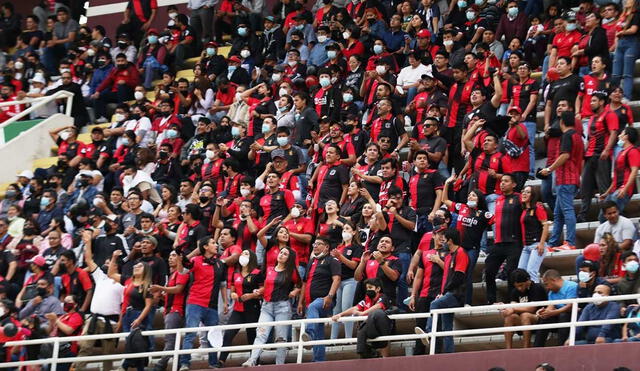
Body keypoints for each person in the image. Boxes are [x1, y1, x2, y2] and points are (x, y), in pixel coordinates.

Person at [242, 247, 301, 367]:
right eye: (281, 252)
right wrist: (259, 291)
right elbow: (267, 286)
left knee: (280, 338)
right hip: (266, 306)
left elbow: (300, 284)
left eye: (285, 254)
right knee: (261, 334)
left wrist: (295, 292)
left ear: (289, 258)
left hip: (282, 307)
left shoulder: (292, 272)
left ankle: (279, 365)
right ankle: (252, 360)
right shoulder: (269, 269)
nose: (282, 255)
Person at [415, 228, 469, 353]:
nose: (442, 242)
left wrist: (444, 292)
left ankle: (428, 332)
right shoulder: (450, 256)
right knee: (447, 328)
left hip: (457, 295)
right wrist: (442, 293)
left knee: (434, 304)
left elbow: (458, 277)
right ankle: (449, 355)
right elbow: (446, 278)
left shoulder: (461, 252)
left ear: (450, 240)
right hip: (448, 294)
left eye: (444, 239)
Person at [179, 237, 227, 370]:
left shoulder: (220, 263)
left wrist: (225, 302)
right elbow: (183, 270)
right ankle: (184, 363)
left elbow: (223, 284)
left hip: (212, 306)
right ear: (205, 247)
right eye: (212, 243)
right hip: (195, 303)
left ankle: (213, 363)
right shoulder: (196, 260)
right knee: (191, 334)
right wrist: (185, 254)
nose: (216, 245)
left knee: (213, 336)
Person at [539, 111, 584, 251]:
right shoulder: (578, 137)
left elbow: (565, 155)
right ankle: (552, 244)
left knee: (567, 210)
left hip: (565, 179)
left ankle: (570, 242)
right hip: (572, 178)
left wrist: (549, 169)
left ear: (562, 122)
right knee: (558, 214)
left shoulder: (566, 136)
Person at [108, 252, 153, 371]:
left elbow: (148, 306)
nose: (135, 267)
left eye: (139, 266)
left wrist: (139, 319)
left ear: (146, 270)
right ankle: (135, 367)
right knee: (130, 342)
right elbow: (111, 274)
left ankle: (125, 366)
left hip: (139, 314)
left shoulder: (146, 285)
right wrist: (114, 258)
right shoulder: (128, 280)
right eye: (135, 266)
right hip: (128, 315)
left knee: (136, 343)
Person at [298, 237, 341, 362]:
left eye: (318, 244)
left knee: (313, 309)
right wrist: (300, 302)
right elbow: (304, 284)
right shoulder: (311, 261)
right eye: (314, 244)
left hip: (325, 300)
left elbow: (337, 279)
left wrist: (330, 296)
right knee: (319, 332)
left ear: (327, 247)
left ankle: (309, 333)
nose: (315, 246)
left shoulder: (332, 260)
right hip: (309, 302)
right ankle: (319, 361)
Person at [218, 250, 263, 368]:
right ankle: (221, 361)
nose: (243, 256)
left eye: (246, 254)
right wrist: (233, 294)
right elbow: (232, 289)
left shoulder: (257, 273)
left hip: (252, 309)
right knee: (228, 334)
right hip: (238, 310)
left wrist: (252, 295)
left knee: (252, 336)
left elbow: (263, 289)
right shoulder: (236, 273)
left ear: (252, 257)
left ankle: (254, 361)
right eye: (242, 254)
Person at [332, 278, 393, 358]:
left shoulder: (383, 297)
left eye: (370, 287)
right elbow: (355, 308)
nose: (368, 290)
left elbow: (378, 306)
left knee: (369, 327)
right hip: (369, 328)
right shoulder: (366, 299)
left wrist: (363, 313)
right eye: (367, 288)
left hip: (382, 328)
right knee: (362, 331)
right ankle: (365, 353)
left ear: (378, 289)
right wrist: (340, 314)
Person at [485, 174, 523, 304]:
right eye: (501, 181)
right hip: (499, 242)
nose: (502, 183)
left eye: (506, 181)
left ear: (514, 184)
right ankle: (491, 301)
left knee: (512, 274)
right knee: (489, 269)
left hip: (514, 242)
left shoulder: (519, 198)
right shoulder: (499, 200)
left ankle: (513, 301)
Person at [149, 250, 188, 371]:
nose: (170, 258)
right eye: (170, 255)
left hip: (176, 311)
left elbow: (178, 290)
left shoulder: (182, 272)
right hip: (170, 311)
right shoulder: (173, 274)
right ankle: (181, 364)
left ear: (180, 258)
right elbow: (172, 294)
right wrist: (161, 296)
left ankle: (160, 366)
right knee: (174, 341)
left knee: (170, 341)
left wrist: (159, 287)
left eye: (174, 255)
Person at [500, 269, 547, 348]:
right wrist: (506, 310)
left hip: (539, 318)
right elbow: (513, 305)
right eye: (517, 286)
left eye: (521, 285)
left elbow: (532, 308)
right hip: (523, 322)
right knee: (510, 317)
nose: (519, 288)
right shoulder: (515, 292)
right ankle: (508, 349)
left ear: (527, 280)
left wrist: (514, 309)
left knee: (525, 315)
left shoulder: (537, 288)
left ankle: (526, 348)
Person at [534, 269, 578, 347]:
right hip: (559, 316)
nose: (546, 287)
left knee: (564, 315)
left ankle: (561, 346)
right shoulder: (551, 293)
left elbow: (570, 306)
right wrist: (544, 312)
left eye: (546, 284)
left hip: (572, 315)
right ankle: (537, 347)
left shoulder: (571, 286)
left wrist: (553, 312)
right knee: (544, 318)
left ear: (553, 280)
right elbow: (551, 307)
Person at [517, 186, 549, 283]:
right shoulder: (524, 210)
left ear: (533, 195)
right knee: (520, 273)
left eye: (528, 192)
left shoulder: (537, 208)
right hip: (526, 246)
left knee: (531, 272)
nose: (524, 194)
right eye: (523, 191)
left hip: (536, 245)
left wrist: (541, 243)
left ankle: (536, 296)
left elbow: (546, 225)